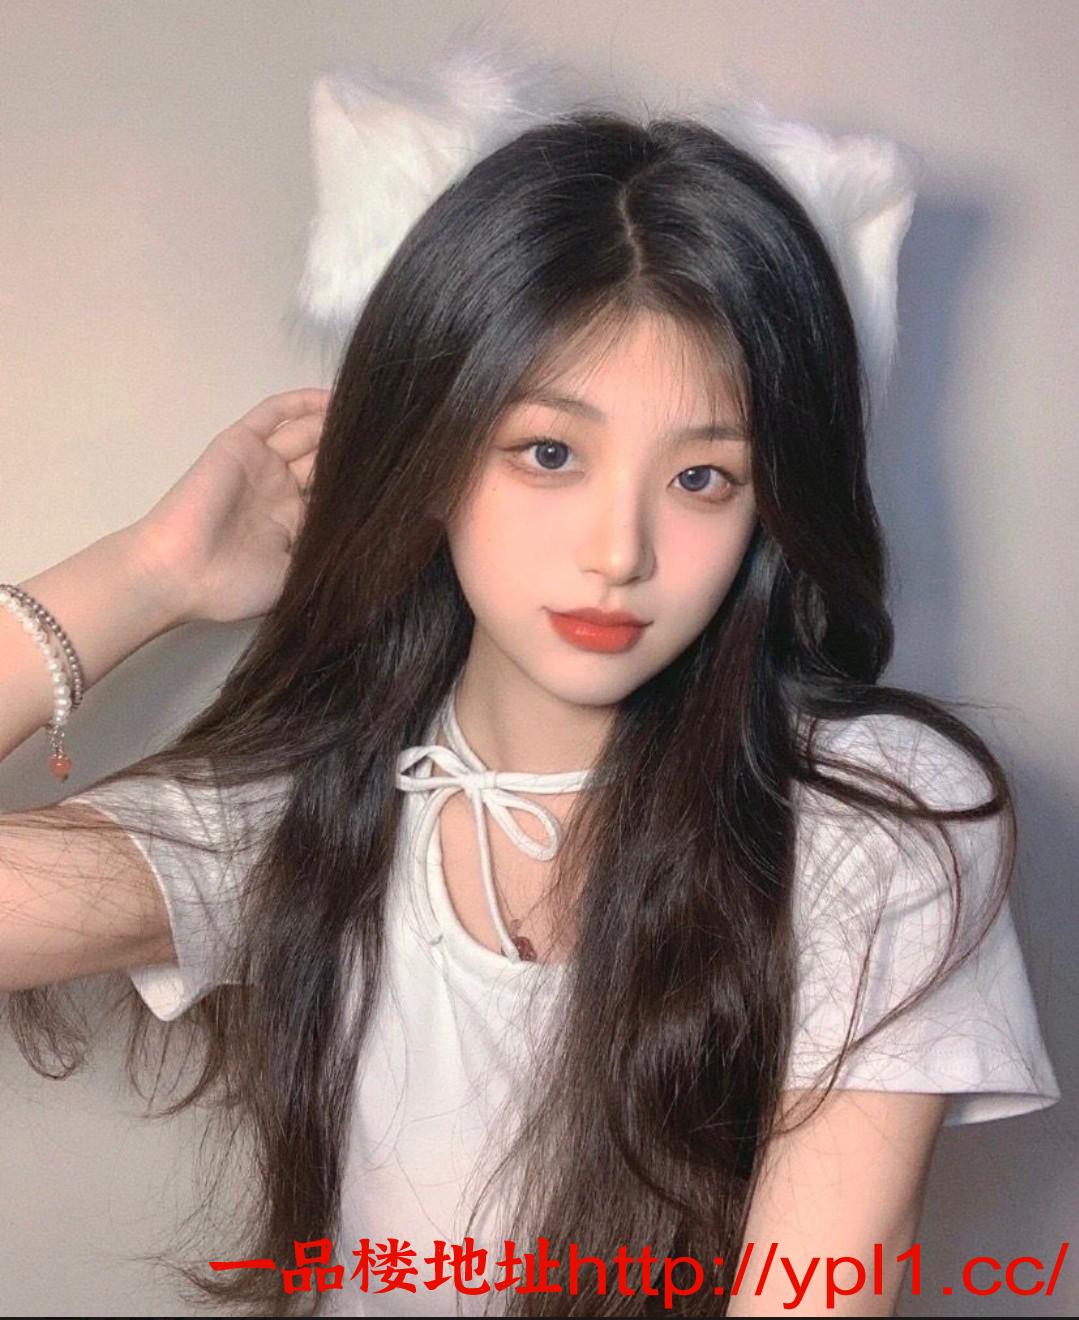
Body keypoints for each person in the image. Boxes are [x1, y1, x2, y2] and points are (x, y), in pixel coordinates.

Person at [0, 109, 1060, 1319]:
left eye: (701, 477)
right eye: (549, 453)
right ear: (433, 454)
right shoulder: (308, 811)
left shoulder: (870, 821)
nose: (618, 552)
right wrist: (146, 576)